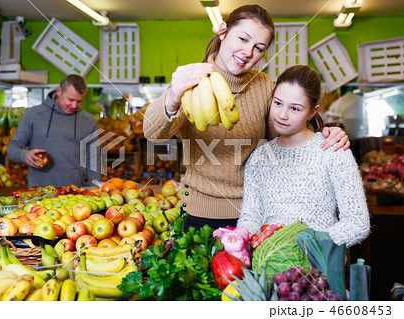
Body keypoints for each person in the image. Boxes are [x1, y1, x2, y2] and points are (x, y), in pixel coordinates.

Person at [143, 4, 351, 231]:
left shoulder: (263, 85)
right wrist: (173, 95)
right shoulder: (193, 82)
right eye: (243, 39)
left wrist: (323, 137)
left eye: (259, 48)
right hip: (198, 215)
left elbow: (283, 140)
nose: (248, 53)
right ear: (222, 32)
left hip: (255, 213)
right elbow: (153, 133)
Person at [237, 65, 370, 247]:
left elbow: (357, 223)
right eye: (277, 103)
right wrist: (239, 240)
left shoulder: (333, 150)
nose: (282, 115)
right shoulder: (258, 157)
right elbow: (251, 219)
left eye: (295, 109)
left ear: (312, 112)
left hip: (319, 270)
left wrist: (304, 247)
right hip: (268, 269)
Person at [7, 74, 102, 188]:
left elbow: (93, 159)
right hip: (39, 194)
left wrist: (96, 189)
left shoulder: (88, 121)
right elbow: (12, 148)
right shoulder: (33, 115)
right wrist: (24, 155)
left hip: (74, 195)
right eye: (70, 99)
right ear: (59, 91)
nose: (74, 105)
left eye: (79, 101)